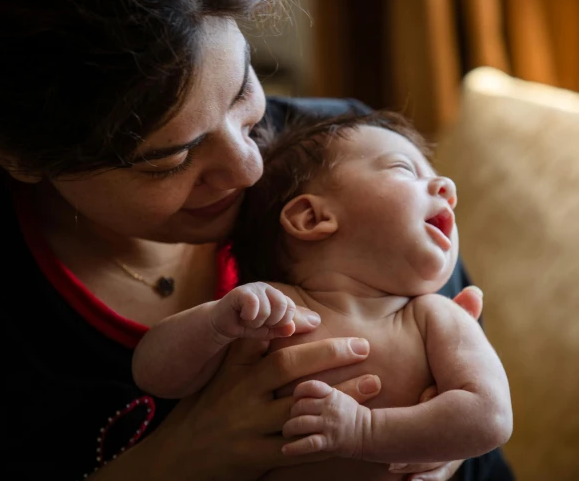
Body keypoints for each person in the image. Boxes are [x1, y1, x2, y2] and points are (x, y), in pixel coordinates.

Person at [0, 0, 515, 480]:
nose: (250, 168)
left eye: (243, 92)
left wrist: (434, 443)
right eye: (169, 160)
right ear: (23, 158)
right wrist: (175, 460)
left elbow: (481, 436)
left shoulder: (344, 154)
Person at [131, 111, 513, 480]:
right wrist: (214, 324)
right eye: (405, 169)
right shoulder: (269, 311)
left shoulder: (436, 317)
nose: (447, 186)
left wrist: (365, 430)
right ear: (311, 218)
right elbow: (153, 376)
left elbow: (490, 418)